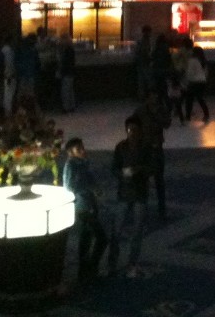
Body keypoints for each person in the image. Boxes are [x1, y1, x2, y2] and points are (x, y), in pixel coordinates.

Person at [108, 116, 151, 278]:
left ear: (140, 131)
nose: (132, 133)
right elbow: (114, 168)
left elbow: (152, 168)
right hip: (124, 193)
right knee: (116, 230)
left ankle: (132, 263)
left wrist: (139, 170)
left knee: (137, 231)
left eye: (135, 130)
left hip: (140, 193)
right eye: (129, 130)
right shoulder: (121, 147)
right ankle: (112, 263)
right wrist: (123, 174)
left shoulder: (145, 148)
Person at [63, 137, 108, 281]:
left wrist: (95, 188)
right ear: (70, 152)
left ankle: (84, 272)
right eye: (79, 149)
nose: (83, 151)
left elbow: (89, 179)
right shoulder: (71, 166)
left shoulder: (82, 163)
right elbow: (69, 187)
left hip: (89, 202)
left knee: (86, 236)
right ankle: (90, 268)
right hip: (82, 205)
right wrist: (87, 188)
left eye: (82, 147)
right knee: (101, 238)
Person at [133, 90, 170, 220]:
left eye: (156, 97)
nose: (154, 99)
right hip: (144, 149)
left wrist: (158, 116)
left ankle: (162, 209)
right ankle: (142, 209)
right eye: (152, 96)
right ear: (147, 98)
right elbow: (133, 125)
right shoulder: (140, 111)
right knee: (143, 180)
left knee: (159, 180)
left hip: (156, 147)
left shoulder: (161, 109)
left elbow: (167, 123)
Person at [182, 45, 210, 125]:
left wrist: (186, 81)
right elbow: (206, 72)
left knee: (189, 99)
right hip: (202, 82)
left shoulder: (192, 60)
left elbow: (190, 73)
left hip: (194, 82)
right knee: (200, 98)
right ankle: (206, 114)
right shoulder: (203, 60)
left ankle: (187, 116)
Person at [133, 25, 153, 101]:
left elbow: (137, 51)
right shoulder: (146, 40)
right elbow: (145, 51)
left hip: (140, 62)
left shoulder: (140, 40)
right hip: (145, 62)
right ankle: (147, 97)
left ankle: (141, 96)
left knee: (141, 81)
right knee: (147, 81)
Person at [58, 34, 77, 113]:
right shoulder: (71, 49)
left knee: (65, 90)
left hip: (66, 72)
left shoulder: (66, 50)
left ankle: (66, 107)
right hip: (71, 72)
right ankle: (71, 106)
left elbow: (64, 62)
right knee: (70, 90)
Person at [1, 35, 17, 116]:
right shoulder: (9, 51)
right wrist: (10, 74)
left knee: (7, 94)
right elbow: (9, 64)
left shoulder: (3, 50)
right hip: (9, 75)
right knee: (8, 95)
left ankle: (7, 111)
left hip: (6, 75)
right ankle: (8, 112)